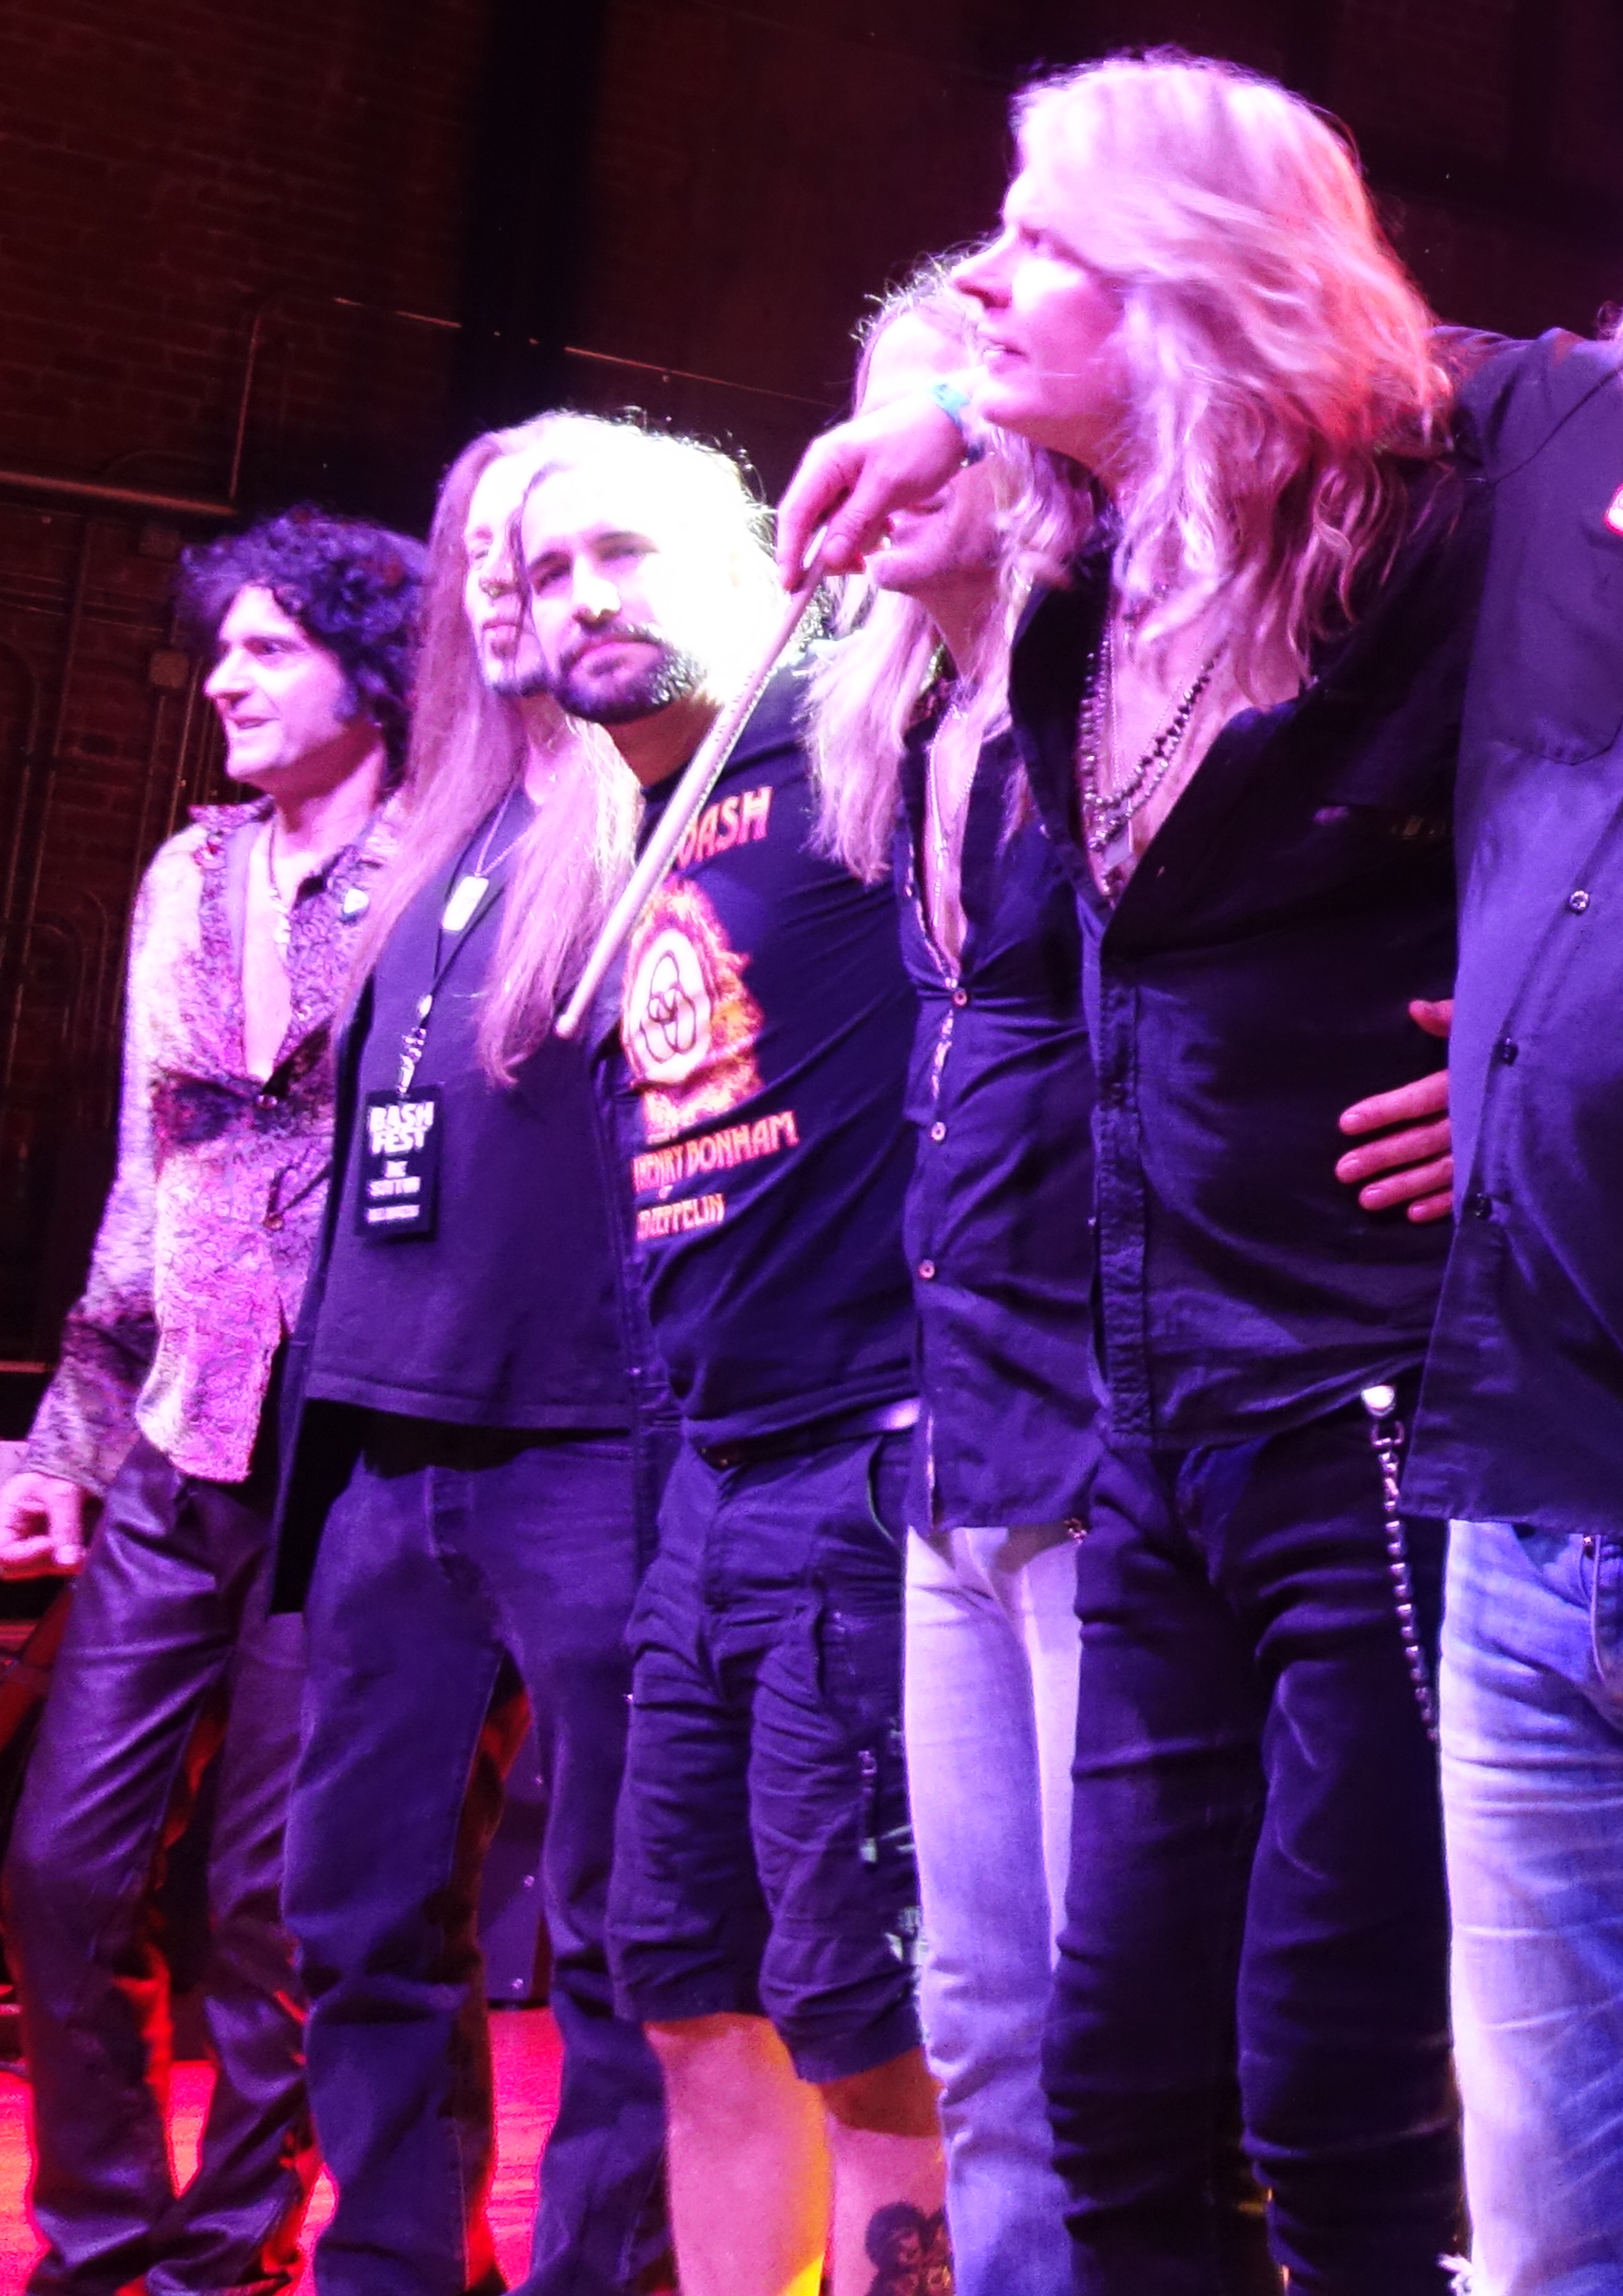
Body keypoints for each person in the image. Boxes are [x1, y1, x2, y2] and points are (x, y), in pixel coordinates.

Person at [780, 0, 1623, 2295]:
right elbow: (1281, 336)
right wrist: (931, 411)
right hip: (1463, 1482)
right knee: (1470, 2193)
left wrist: (1561, 1062)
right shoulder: (1571, 437)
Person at [972, 53, 1478, 2290]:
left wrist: (1533, 1051)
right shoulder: (1080, 612)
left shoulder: (1417, 553)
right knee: (1109, 2071)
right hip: (1154, 1416)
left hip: (1365, 1404)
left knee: (1337, 2079)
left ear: (1195, 283)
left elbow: (1618, 812)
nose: (984, 276)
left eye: (1043, 239)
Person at [516, 415, 944, 2296]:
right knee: (691, 1996)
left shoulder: (859, 732)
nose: (582, 597)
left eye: (624, 550)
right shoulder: (639, 828)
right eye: (545, 572)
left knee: (868, 2021)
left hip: (866, 1446)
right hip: (708, 1474)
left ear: (762, 553)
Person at [0, 509, 420, 2296]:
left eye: (268, 648)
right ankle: (99, 2241)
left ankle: (229, 2252)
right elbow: (144, 1168)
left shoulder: (449, 862)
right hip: (178, 1436)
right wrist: (67, 1432)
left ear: (371, 671)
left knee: (276, 1901)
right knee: (61, 1868)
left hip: (353, 1449)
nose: (222, 679)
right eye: (220, 647)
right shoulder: (188, 875)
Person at [282, 430, 670, 2296]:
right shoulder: (433, 835)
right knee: (353, 1914)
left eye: (563, 549)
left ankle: (613, 2273)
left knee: (617, 1936)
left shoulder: (658, 815)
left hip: (593, 1441)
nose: (519, 583)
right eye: (487, 551)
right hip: (385, 1443)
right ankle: (391, 2269)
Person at [807, 271, 1095, 2296]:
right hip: (956, 1438)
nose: (890, 458)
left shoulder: (1114, 688)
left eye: (944, 414)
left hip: (1100, 1430)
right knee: (980, 2017)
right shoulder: (903, 731)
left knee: (1105, 2010)